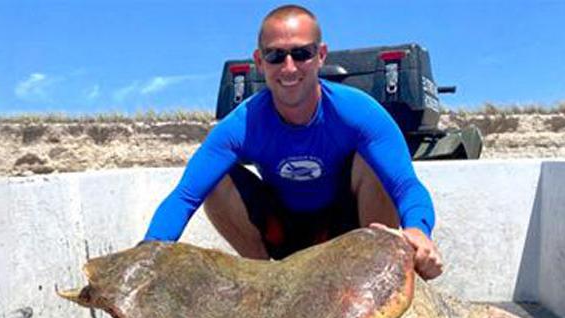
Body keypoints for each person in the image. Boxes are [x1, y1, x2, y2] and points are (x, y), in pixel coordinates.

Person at [144, 4, 443, 280]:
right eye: (276, 56)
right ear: (260, 62)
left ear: (321, 55)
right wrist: (146, 257)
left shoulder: (359, 112)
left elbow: (406, 186)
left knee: (373, 164)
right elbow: (185, 196)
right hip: (282, 234)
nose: (289, 67)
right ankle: (262, 284)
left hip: (345, 235)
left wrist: (418, 230)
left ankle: (376, 278)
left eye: (301, 54)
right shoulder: (241, 125)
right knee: (216, 178)